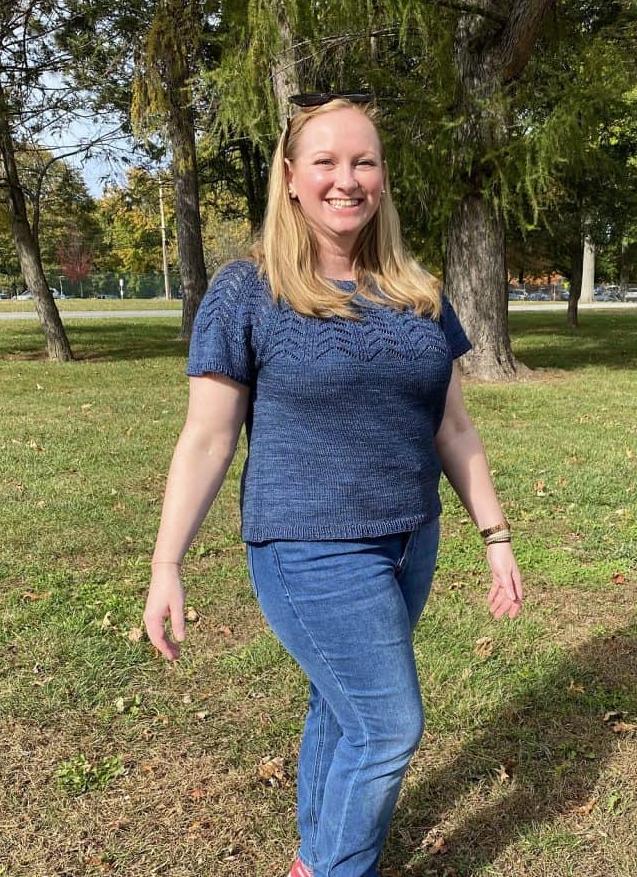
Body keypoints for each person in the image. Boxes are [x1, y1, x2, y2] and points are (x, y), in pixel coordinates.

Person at [143, 94, 524, 877]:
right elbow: (209, 435)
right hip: (308, 545)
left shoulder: (416, 291)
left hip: (409, 538)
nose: (345, 179)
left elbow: (451, 428)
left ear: (382, 176)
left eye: (364, 161)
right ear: (288, 177)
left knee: (343, 707)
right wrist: (166, 564)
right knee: (386, 726)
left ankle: (313, 857)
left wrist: (495, 536)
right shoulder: (248, 291)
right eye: (324, 161)